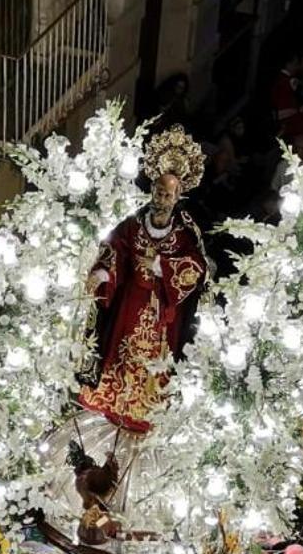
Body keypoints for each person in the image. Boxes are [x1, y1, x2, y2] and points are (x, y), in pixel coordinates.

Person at [77, 127, 209, 433]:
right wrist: (100, 273)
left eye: (169, 193)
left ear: (179, 195)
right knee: (120, 350)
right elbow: (116, 249)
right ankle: (113, 399)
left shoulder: (184, 231)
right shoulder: (135, 222)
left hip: (160, 310)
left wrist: (162, 266)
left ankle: (145, 408)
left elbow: (196, 267)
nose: (162, 198)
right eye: (159, 191)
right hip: (129, 303)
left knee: (152, 362)